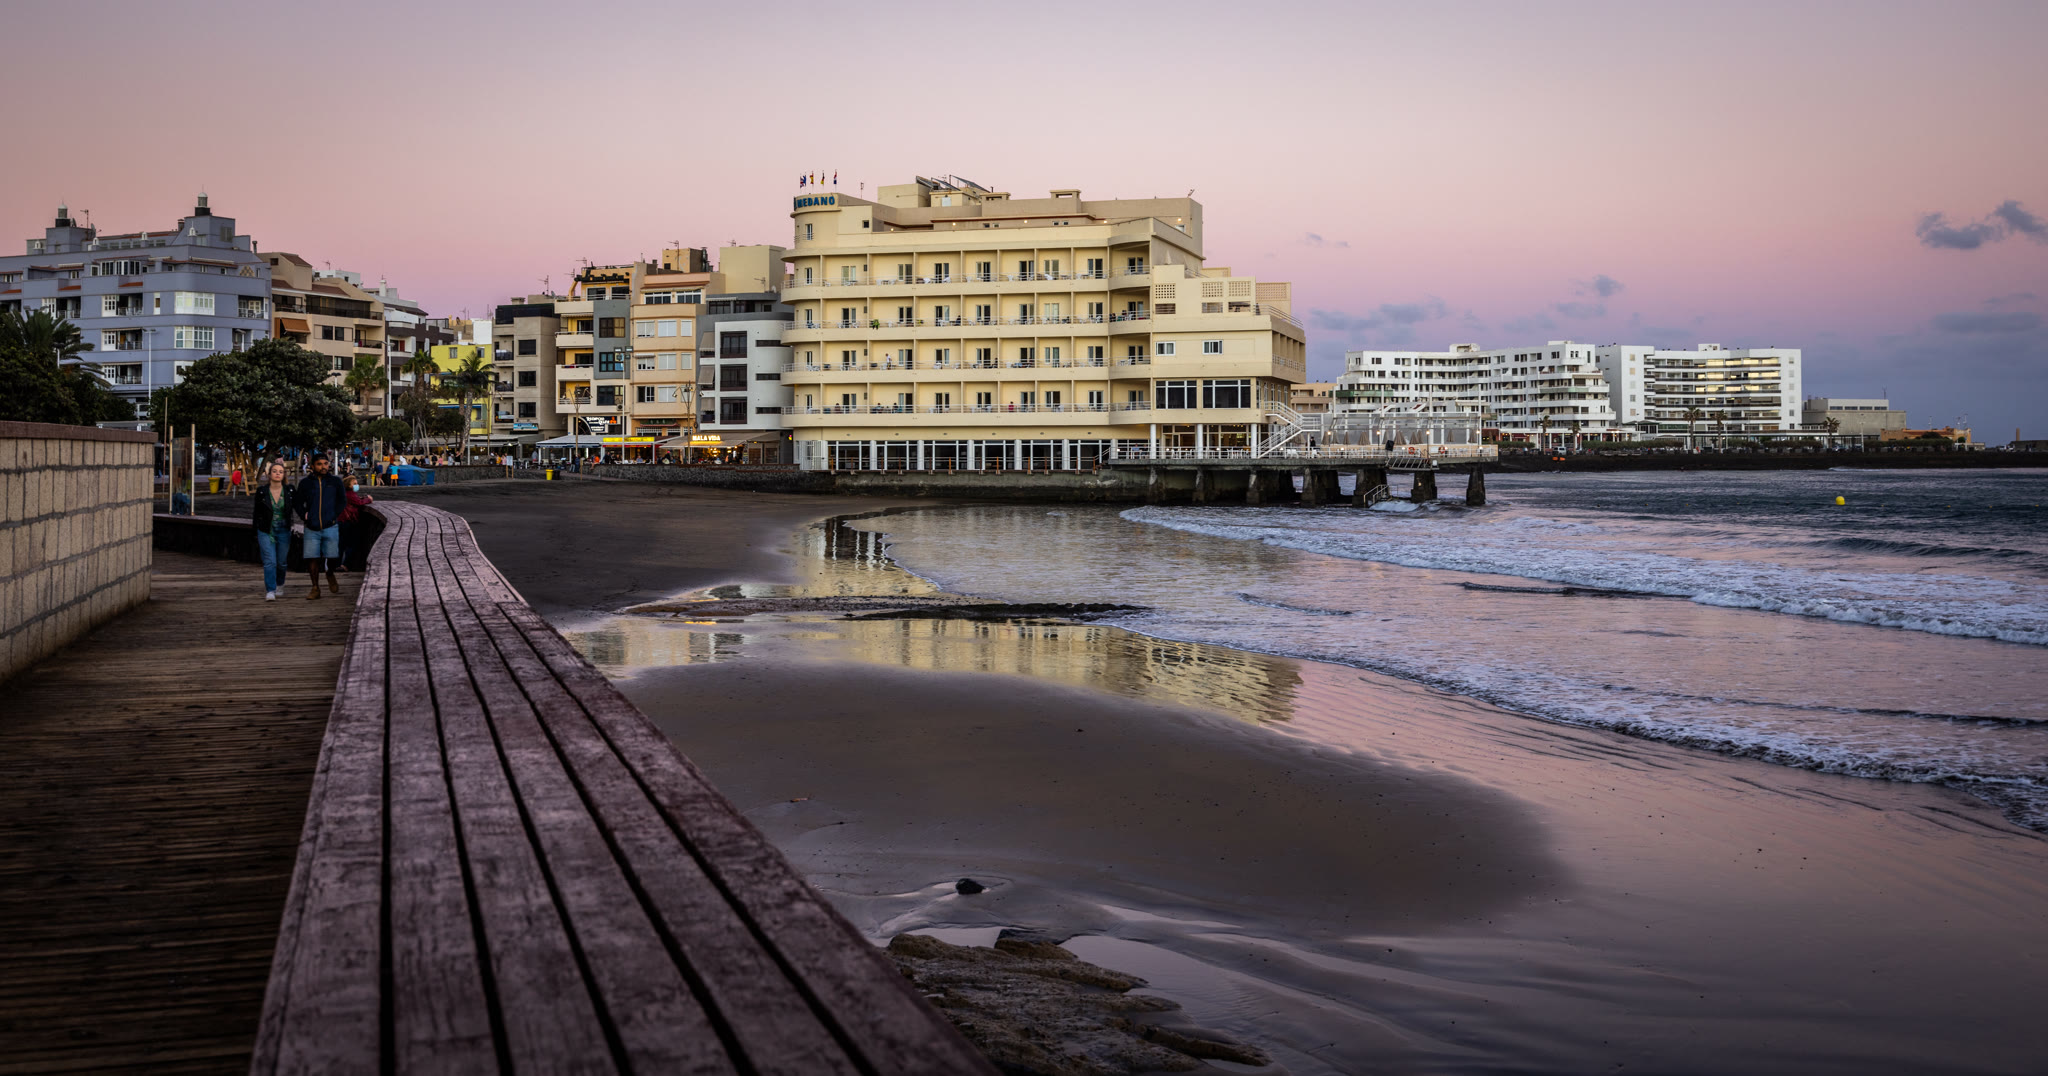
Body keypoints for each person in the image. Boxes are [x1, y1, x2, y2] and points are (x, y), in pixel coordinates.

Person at [294, 454, 348, 599]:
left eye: (325, 463)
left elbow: (342, 501)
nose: (323, 467)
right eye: (319, 464)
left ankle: (330, 573)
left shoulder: (335, 482)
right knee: (312, 558)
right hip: (311, 527)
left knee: (332, 556)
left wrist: (333, 515)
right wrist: (304, 515)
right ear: (312, 466)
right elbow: (298, 502)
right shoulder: (305, 483)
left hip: (330, 525)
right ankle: (315, 588)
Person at [252, 461, 295, 600]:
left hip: (283, 529)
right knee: (270, 561)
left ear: (284, 475)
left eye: (280, 472)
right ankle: (270, 590)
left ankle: (280, 584)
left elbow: (298, 506)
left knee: (281, 562)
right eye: (275, 471)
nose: (277, 474)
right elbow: (256, 512)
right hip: (266, 529)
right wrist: (255, 531)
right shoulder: (262, 491)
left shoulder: (289, 491)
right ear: (269, 474)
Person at [337, 475, 375, 573]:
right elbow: (359, 502)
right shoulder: (350, 494)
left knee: (341, 544)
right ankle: (345, 565)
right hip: (348, 521)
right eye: (354, 484)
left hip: (341, 521)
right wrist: (369, 499)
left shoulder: (343, 493)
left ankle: (336, 564)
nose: (356, 485)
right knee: (350, 544)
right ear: (348, 485)